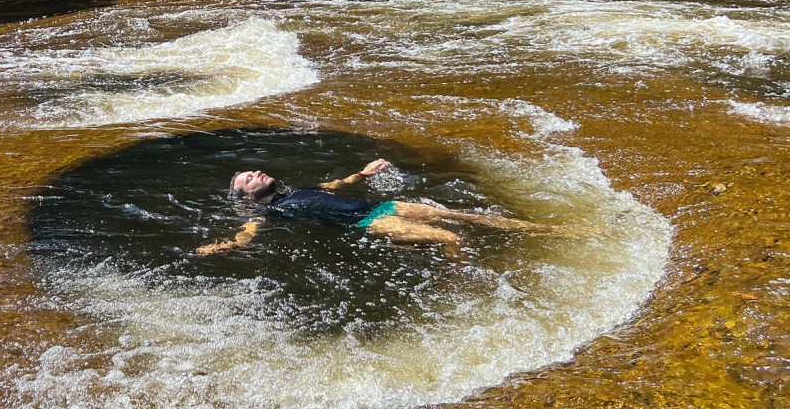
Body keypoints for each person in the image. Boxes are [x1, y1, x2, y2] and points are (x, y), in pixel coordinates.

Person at [195, 158, 552, 255]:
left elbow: (337, 185)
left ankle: (547, 231)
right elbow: (247, 233)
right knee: (451, 237)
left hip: (383, 205)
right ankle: (461, 280)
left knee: (463, 215)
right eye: (248, 179)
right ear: (247, 197)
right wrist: (226, 246)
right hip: (370, 222)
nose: (256, 173)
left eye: (254, 171)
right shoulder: (268, 212)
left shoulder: (298, 191)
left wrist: (364, 173)